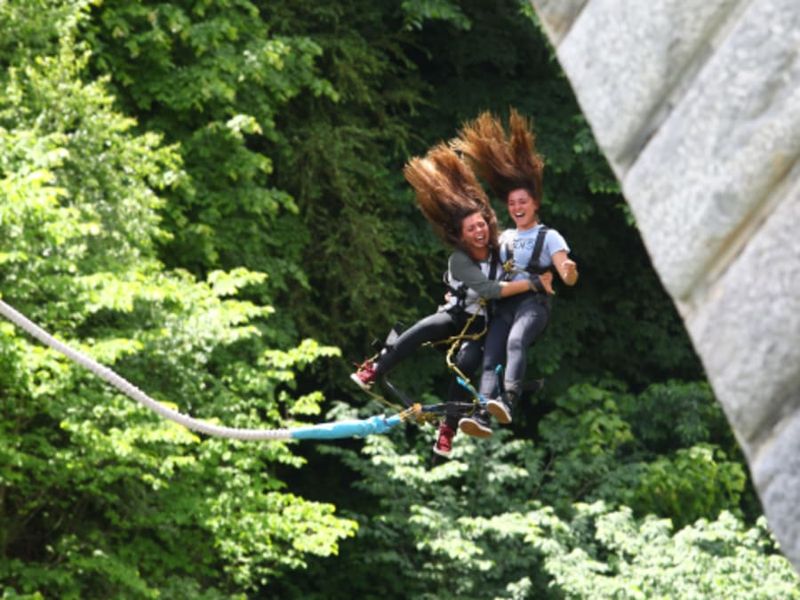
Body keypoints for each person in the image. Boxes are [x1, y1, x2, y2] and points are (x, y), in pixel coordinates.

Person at [350, 143, 550, 458]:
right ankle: (375, 368)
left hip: (484, 328)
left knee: (466, 364)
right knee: (424, 328)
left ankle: (448, 430)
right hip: (455, 317)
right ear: (461, 235)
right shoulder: (460, 260)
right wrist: (530, 282)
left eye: (482, 224)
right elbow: (488, 290)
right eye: (472, 229)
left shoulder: (502, 250)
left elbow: (526, 245)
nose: (479, 231)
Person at [453, 109, 578, 433]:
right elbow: (482, 267)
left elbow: (566, 272)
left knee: (515, 342)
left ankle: (508, 398)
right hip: (503, 304)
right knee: (490, 354)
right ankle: (482, 412)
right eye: (511, 204)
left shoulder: (548, 236)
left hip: (532, 305)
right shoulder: (504, 237)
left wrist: (567, 270)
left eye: (522, 202)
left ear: (534, 203)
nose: (517, 208)